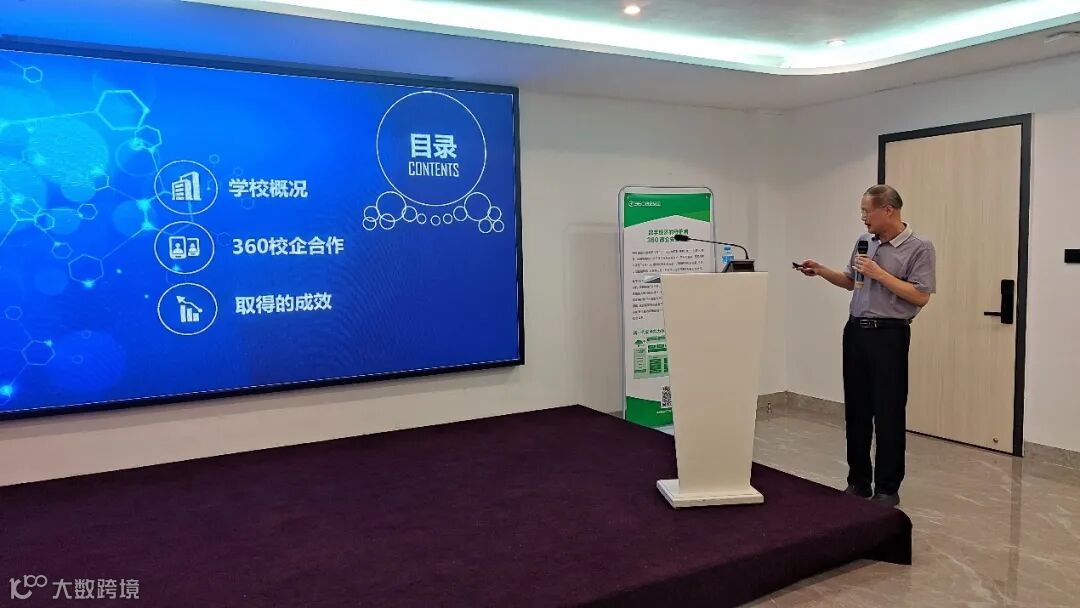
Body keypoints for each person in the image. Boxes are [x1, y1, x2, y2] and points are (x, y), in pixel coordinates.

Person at [796, 184, 936, 507]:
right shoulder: (864, 242)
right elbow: (852, 281)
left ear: (888, 210)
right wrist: (821, 271)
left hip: (889, 335)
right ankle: (858, 482)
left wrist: (880, 274)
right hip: (856, 332)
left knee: (888, 412)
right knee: (857, 411)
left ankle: (887, 488)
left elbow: (920, 296)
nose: (862, 217)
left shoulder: (919, 247)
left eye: (866, 211)